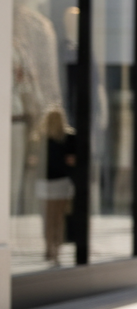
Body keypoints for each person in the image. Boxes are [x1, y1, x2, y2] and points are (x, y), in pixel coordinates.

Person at [35, 105, 74, 265]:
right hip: (61, 181)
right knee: (58, 218)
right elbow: (72, 161)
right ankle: (56, 249)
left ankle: (48, 247)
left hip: (45, 182)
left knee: (47, 218)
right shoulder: (69, 138)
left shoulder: (40, 137)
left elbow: (34, 161)